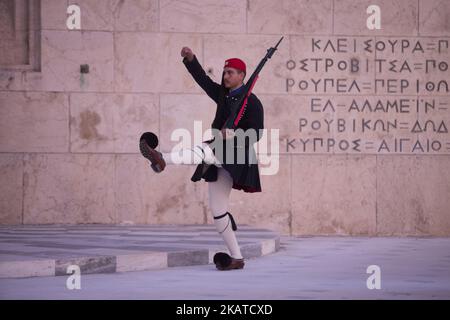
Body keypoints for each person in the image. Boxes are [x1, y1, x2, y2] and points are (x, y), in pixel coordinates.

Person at [139, 47, 264, 270]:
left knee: (205, 150)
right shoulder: (222, 95)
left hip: (238, 153)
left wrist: (233, 134)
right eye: (225, 72)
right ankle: (236, 257)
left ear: (242, 76)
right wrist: (191, 60)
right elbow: (203, 80)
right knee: (218, 209)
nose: (226, 76)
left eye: (231, 72)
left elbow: (257, 134)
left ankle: (162, 158)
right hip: (220, 152)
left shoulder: (253, 102)